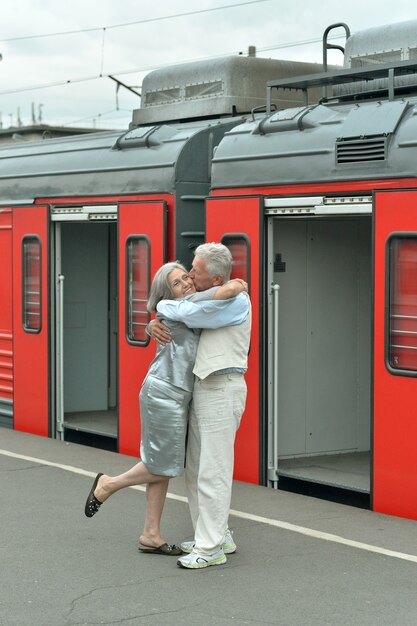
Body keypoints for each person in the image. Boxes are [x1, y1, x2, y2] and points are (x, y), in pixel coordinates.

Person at [84, 261, 249, 556]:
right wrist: (234, 286)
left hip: (180, 394)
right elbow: (198, 301)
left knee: (162, 461)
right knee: (163, 463)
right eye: (176, 283)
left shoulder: (182, 308)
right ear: (167, 293)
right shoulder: (176, 308)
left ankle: (151, 533)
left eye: (186, 276)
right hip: (164, 392)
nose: (185, 283)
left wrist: (232, 287)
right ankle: (108, 485)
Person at [149, 243, 251, 569]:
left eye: (196, 270)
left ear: (217, 277)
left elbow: (185, 312)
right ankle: (218, 534)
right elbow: (173, 312)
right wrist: (155, 320)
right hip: (204, 388)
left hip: (222, 386)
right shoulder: (217, 294)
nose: (191, 275)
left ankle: (210, 549)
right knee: (195, 470)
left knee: (213, 471)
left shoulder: (236, 301)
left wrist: (166, 305)